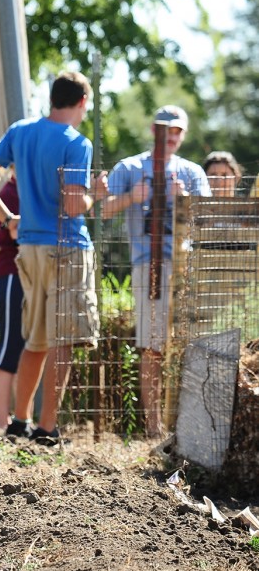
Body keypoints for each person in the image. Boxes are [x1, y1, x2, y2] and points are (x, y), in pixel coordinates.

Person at [0, 71, 105, 447]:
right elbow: (74, 205)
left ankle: (19, 420)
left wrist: (7, 218)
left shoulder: (21, 132)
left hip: (27, 248)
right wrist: (97, 193)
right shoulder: (77, 142)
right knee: (63, 339)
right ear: (81, 103)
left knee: (35, 339)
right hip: (67, 247)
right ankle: (47, 428)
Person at [102, 105, 210, 436]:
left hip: (187, 270)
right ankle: (153, 427)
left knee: (190, 346)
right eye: (165, 130)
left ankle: (187, 425)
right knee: (152, 345)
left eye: (177, 131)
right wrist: (132, 197)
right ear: (153, 130)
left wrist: (185, 200)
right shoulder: (129, 167)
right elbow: (102, 210)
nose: (171, 136)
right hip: (148, 266)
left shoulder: (192, 173)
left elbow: (207, 224)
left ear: (183, 135)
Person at [0, 169, 25, 429]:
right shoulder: (9, 193)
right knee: (9, 347)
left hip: (31, 275)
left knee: (27, 349)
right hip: (12, 274)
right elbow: (15, 234)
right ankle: (3, 423)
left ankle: (22, 419)